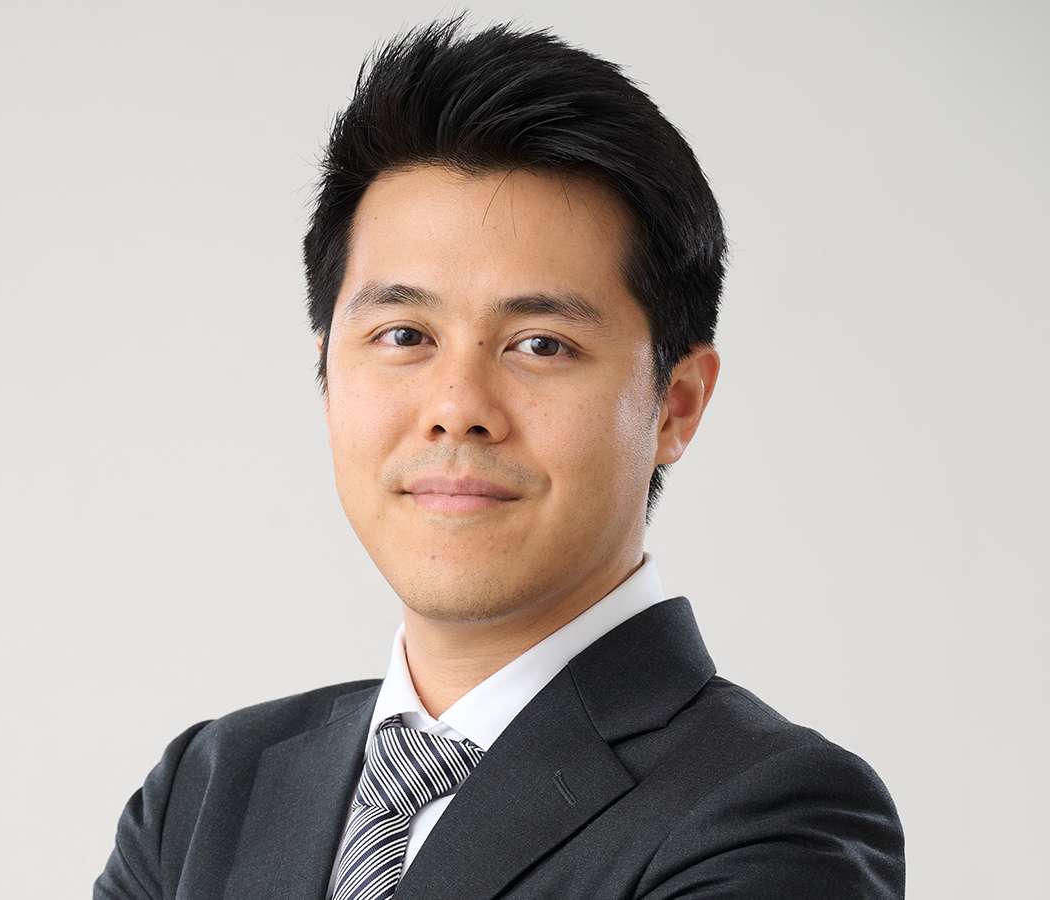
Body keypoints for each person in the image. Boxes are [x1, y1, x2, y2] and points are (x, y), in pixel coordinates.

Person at [94, 14, 905, 899]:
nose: (457, 409)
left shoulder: (770, 815)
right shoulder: (207, 793)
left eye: (541, 344)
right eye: (404, 335)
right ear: (326, 372)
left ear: (676, 405)